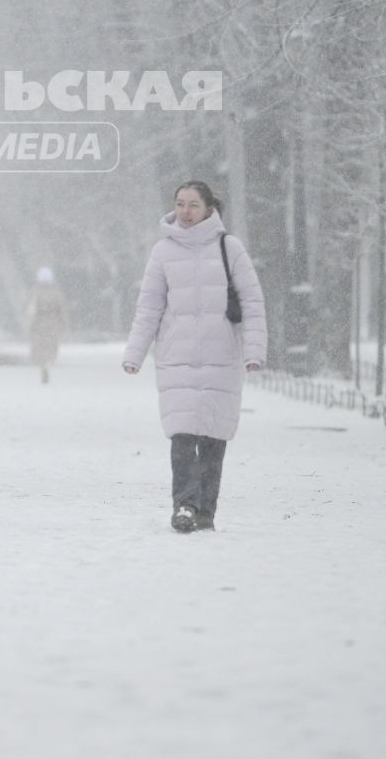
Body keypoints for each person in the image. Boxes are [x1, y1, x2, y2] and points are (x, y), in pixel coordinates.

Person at [122, 181, 266, 533]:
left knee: (213, 438)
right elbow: (149, 307)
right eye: (180, 204)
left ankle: (206, 511)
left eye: (193, 205)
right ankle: (185, 505)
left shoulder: (229, 248)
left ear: (208, 208)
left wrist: (254, 351)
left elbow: (252, 302)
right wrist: (135, 353)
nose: (185, 212)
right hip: (178, 356)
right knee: (183, 435)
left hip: (222, 356)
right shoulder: (162, 252)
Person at [23, 266, 68, 385]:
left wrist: (28, 324)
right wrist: (63, 323)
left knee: (39, 347)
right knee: (51, 347)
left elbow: (29, 310)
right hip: (53, 323)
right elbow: (61, 310)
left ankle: (42, 365)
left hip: (38, 323)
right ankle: (48, 364)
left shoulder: (34, 292)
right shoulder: (57, 293)